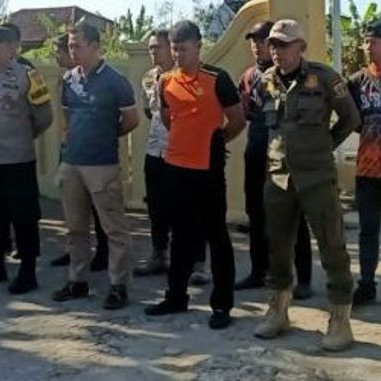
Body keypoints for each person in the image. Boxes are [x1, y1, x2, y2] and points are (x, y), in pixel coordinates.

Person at [251, 20, 361, 351]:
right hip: (279, 177)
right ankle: (278, 310)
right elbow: (263, 121)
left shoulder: (325, 78)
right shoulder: (265, 82)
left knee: (332, 246)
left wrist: (324, 145)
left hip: (317, 178)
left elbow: (351, 119)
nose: (277, 51)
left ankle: (340, 320)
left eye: (284, 45)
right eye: (273, 45)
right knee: (278, 246)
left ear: (301, 47)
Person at [144, 20, 246, 330]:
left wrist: (214, 141)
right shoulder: (165, 81)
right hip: (175, 167)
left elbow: (238, 119)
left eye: (184, 50)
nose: (178, 56)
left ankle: (222, 305)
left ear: (199, 47)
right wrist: (185, 141)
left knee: (216, 236)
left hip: (207, 170)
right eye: (174, 50)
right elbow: (166, 116)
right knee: (181, 237)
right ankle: (176, 296)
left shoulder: (218, 79)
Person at [51, 23, 140, 309]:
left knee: (114, 230)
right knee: (75, 228)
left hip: (102, 165)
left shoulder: (114, 81)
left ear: (94, 45)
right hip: (72, 163)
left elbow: (131, 120)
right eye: (70, 45)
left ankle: (118, 286)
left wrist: (104, 134)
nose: (72, 51)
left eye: (77, 45)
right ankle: (77, 281)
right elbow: (66, 118)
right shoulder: (68, 80)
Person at [0, 25, 54, 294]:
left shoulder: (28, 76)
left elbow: (44, 117)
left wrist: (21, 137)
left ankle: (28, 271)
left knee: (24, 217)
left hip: (17, 160)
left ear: (12, 48)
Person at [235, 20, 313, 300]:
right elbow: (245, 112)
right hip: (257, 151)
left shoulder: (296, 76)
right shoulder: (248, 77)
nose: (258, 46)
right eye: (254, 41)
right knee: (256, 213)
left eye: (263, 41)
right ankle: (258, 271)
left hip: (286, 155)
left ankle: (303, 278)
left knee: (295, 215)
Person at [345, 22, 381, 307]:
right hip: (368, 166)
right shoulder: (356, 81)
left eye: (375, 41)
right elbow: (352, 119)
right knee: (368, 228)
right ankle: (366, 283)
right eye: (366, 41)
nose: (368, 46)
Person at [49, 32, 110, 272]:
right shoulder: (67, 80)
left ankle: (103, 252)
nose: (58, 57)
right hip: (71, 150)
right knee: (73, 206)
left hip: (94, 155)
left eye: (62, 51)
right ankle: (74, 251)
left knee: (98, 208)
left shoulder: (99, 79)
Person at [133, 29, 173, 277]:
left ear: (171, 47)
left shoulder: (183, 76)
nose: (153, 52)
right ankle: (159, 254)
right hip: (155, 149)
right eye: (150, 47)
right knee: (156, 207)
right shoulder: (148, 78)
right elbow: (150, 112)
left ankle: (197, 262)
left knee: (187, 208)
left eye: (158, 46)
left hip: (181, 151)